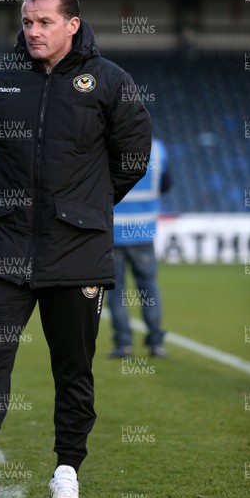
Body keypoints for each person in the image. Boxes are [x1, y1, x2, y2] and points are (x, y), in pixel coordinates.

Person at [0, 0, 151, 498]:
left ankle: (66, 476)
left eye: (44, 22)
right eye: (27, 22)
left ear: (72, 24)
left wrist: (84, 204)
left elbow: (132, 157)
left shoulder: (110, 82)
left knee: (73, 369)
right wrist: (18, 199)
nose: (32, 31)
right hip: (5, 245)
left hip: (77, 250)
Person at [107, 137, 171, 358]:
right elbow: (166, 184)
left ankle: (123, 345)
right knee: (149, 289)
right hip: (143, 232)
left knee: (116, 294)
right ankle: (156, 344)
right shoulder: (158, 149)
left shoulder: (108, 144)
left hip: (113, 234)